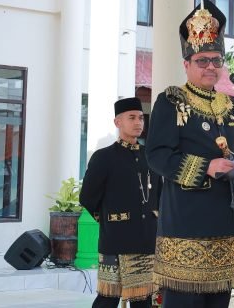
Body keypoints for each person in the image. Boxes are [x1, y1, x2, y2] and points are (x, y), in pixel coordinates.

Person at [146, 0, 234, 308]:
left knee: (219, 303)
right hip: (186, 222)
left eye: (217, 60)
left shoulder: (230, 107)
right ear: (186, 64)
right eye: (202, 60)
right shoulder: (171, 102)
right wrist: (206, 167)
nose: (211, 67)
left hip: (224, 220)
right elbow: (158, 155)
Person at [79, 97, 162, 308]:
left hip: (145, 239)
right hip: (115, 239)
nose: (138, 123)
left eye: (141, 118)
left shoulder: (149, 157)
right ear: (118, 122)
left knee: (143, 299)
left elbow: (159, 195)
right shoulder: (103, 157)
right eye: (132, 118)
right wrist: (109, 219)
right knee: (108, 298)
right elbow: (87, 197)